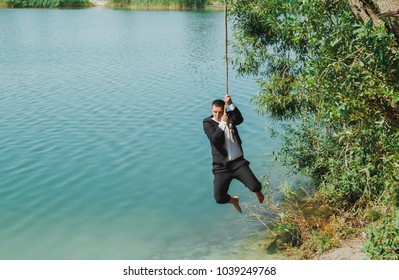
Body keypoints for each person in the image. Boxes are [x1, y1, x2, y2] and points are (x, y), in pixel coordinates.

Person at [203, 94, 264, 213]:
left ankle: (258, 192)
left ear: (224, 110)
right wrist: (223, 124)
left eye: (220, 112)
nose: (217, 115)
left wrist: (230, 104)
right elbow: (215, 139)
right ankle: (233, 200)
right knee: (219, 198)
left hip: (238, 163)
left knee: (256, 186)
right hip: (221, 166)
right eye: (215, 112)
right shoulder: (207, 122)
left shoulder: (229, 116)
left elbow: (240, 120)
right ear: (212, 110)